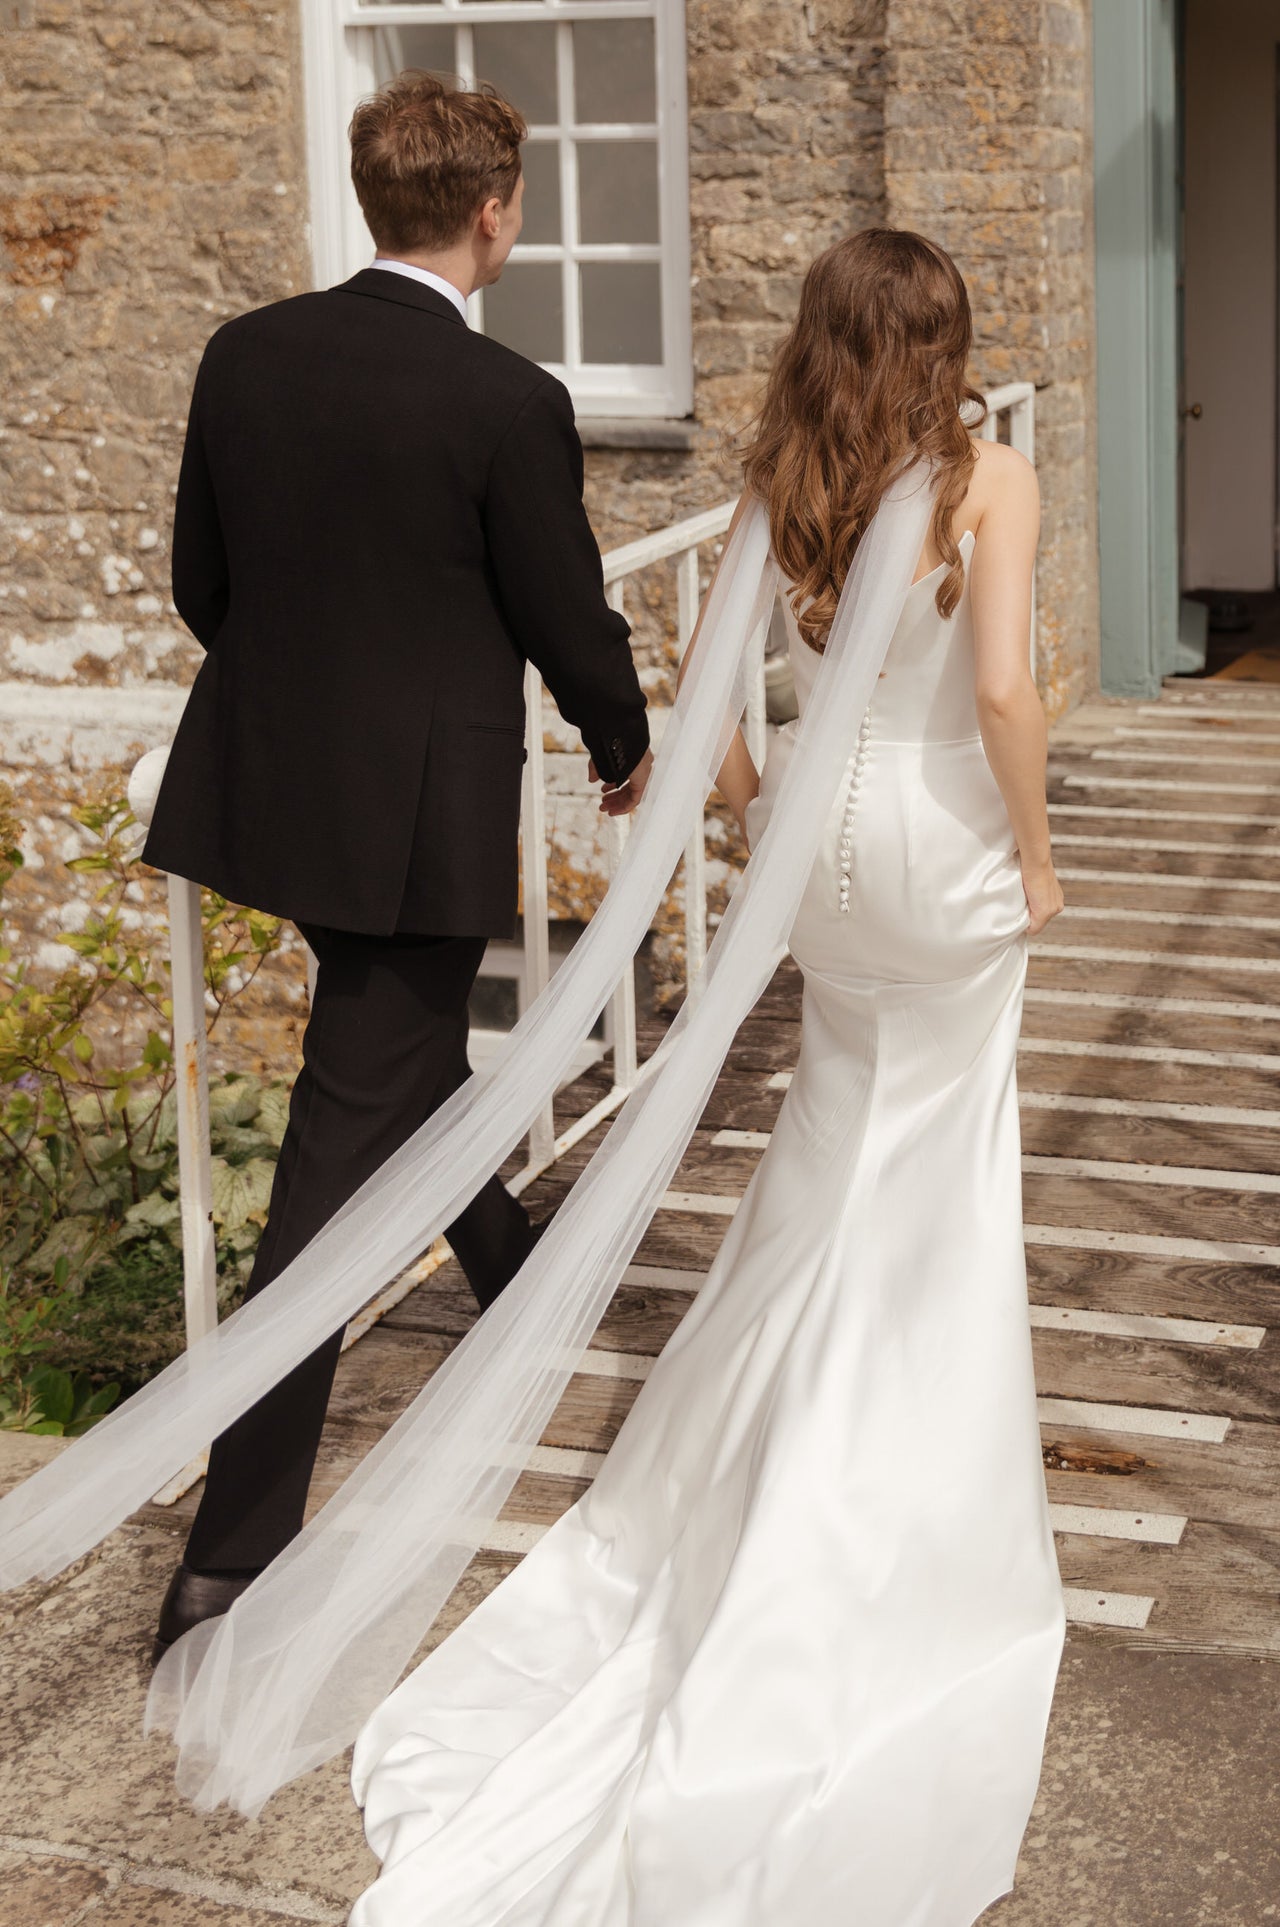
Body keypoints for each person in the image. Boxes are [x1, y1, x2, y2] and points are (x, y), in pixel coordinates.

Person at [346, 229, 1068, 1926]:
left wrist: (771, 808)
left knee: (834, 1137)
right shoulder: (992, 479)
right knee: (940, 1162)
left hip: (819, 865)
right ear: (948, 342)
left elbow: (719, 736)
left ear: (823, 338)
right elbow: (1008, 686)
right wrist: (1036, 855)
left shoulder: (781, 484)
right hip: (944, 851)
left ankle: (769, 1446)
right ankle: (882, 1478)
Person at [141, 72, 653, 1661]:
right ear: (494, 213)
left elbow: (199, 581)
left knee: (395, 1057)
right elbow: (566, 613)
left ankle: (510, 1264)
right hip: (417, 829)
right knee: (324, 1180)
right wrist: (624, 743)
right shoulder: (507, 401)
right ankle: (228, 1556)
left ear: (375, 202)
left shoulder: (245, 354)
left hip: (276, 800)